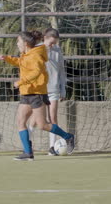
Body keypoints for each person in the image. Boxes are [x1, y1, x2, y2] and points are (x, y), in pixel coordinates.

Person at [0, 31, 74, 161]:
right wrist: (7, 58)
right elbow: (21, 63)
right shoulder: (26, 54)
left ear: (26, 43)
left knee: (42, 125)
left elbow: (36, 72)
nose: (17, 44)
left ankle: (68, 137)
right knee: (20, 121)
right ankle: (28, 153)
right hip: (27, 92)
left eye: (18, 41)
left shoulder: (36, 55)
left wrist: (21, 82)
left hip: (37, 94)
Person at [43, 28, 67, 156]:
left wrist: (63, 89)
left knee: (52, 117)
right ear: (45, 38)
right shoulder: (38, 49)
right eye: (51, 43)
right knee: (36, 119)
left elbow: (61, 71)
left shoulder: (58, 51)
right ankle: (27, 146)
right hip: (40, 89)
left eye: (55, 43)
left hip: (53, 89)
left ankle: (52, 147)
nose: (52, 45)